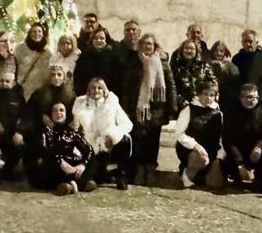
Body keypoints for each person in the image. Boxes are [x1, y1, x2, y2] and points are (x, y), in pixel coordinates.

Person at [119, 32, 172, 186]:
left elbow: (170, 85)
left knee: (153, 140)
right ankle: (139, 169)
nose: (148, 46)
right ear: (140, 45)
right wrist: (126, 107)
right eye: (145, 44)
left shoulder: (162, 63)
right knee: (139, 139)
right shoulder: (135, 62)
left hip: (156, 108)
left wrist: (170, 107)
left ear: (155, 46)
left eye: (151, 44)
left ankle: (150, 169)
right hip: (138, 107)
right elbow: (127, 86)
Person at [71, 77, 133, 190]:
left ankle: (121, 176)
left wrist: (113, 135)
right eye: (93, 88)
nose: (96, 90)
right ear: (88, 90)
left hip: (107, 143)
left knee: (125, 139)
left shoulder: (112, 104)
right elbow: (76, 128)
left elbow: (127, 124)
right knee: (88, 176)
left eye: (100, 88)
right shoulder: (80, 105)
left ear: (105, 91)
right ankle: (83, 182)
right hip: (90, 146)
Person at [222, 83, 262, 193]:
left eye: (252, 97)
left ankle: (261, 182)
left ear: (257, 98)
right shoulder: (231, 114)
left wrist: (260, 147)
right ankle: (237, 181)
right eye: (245, 97)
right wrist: (239, 162)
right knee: (229, 154)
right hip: (239, 153)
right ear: (240, 98)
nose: (249, 100)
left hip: (257, 153)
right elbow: (227, 139)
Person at [173, 78, 226, 189]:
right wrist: (195, 145)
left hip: (211, 150)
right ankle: (186, 175)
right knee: (201, 159)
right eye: (205, 94)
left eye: (212, 95)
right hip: (190, 149)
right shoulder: (188, 109)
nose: (208, 98)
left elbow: (222, 137)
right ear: (199, 94)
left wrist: (219, 158)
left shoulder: (218, 113)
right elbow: (179, 134)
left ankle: (202, 174)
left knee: (215, 184)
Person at [31, 101, 94, 195]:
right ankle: (78, 184)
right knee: (46, 166)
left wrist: (83, 165)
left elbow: (89, 150)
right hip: (54, 165)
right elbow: (45, 150)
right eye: (55, 111)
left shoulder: (71, 132)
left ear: (65, 114)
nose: (58, 113)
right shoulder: (46, 131)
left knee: (95, 160)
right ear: (51, 115)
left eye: (61, 110)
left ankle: (69, 185)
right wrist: (60, 162)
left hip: (70, 166)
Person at [0, 70, 27, 179]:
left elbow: (25, 117)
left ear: (13, 83)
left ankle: (11, 171)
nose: (4, 84)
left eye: (7, 81)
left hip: (12, 134)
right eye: (2, 81)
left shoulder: (19, 98)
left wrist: (20, 132)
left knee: (22, 144)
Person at [73, 28, 119, 95]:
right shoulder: (84, 56)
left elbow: (117, 80)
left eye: (102, 38)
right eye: (95, 38)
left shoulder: (114, 57)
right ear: (92, 40)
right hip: (87, 95)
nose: (98, 40)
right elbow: (77, 77)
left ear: (106, 40)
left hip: (108, 96)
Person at [172, 38, 216, 108]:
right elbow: (172, 89)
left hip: (202, 105)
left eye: (192, 48)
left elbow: (213, 83)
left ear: (196, 51)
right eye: (186, 48)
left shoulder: (204, 66)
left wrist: (208, 98)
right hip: (182, 106)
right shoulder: (175, 67)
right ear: (182, 50)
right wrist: (180, 100)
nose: (189, 51)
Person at [14, 22, 52, 100]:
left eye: (39, 31)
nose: (36, 34)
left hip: (39, 92)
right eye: (34, 31)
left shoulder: (47, 52)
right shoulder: (20, 48)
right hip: (23, 89)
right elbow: (14, 65)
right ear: (29, 33)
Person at [208, 41, 241, 115]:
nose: (218, 53)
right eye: (216, 51)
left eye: (221, 51)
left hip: (227, 98)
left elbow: (236, 83)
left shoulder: (231, 66)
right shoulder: (208, 65)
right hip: (211, 96)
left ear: (225, 52)